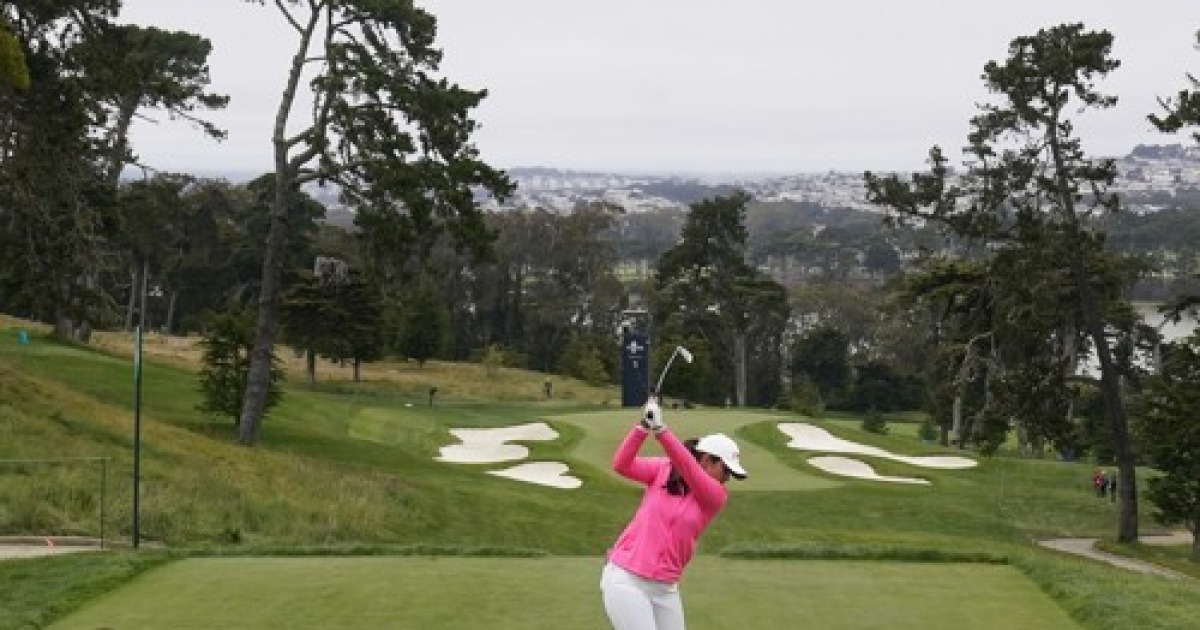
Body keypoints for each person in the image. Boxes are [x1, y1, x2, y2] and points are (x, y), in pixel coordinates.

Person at [600, 396, 747, 630]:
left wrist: (661, 430)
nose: (727, 478)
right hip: (627, 578)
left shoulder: (715, 496)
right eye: (725, 470)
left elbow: (689, 468)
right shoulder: (662, 469)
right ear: (708, 460)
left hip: (665, 588)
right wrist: (643, 428)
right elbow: (622, 464)